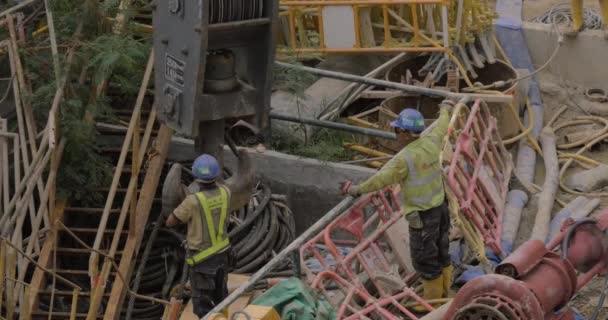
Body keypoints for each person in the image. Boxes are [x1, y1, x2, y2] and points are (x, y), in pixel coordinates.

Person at [343, 99, 454, 311]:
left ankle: (433, 306)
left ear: (404, 133)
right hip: (440, 208)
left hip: (422, 217)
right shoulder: (432, 141)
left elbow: (380, 179)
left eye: (396, 131)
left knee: (425, 259)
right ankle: (444, 293)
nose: (395, 135)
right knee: (442, 250)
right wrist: (446, 108)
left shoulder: (404, 159)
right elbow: (442, 124)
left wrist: (356, 190)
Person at [166, 152, 252, 317]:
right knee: (221, 296)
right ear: (216, 174)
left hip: (202, 261)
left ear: (195, 175)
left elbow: (170, 221)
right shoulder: (226, 192)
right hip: (222, 256)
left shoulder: (192, 201)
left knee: (202, 303)